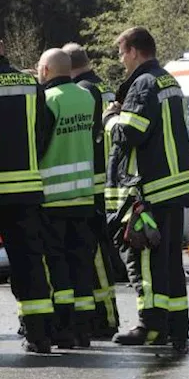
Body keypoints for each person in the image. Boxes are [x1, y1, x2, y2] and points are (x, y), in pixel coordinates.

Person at [104, 27, 189, 354]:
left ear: (133, 51)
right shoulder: (167, 80)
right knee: (170, 262)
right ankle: (176, 328)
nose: (121, 60)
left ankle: (150, 327)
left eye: (121, 53)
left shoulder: (143, 83)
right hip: (174, 186)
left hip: (152, 189)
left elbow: (131, 133)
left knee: (145, 259)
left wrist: (110, 120)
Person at [36, 48, 100, 349]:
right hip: (83, 195)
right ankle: (83, 329)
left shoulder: (49, 101)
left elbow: (40, 143)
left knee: (57, 264)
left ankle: (62, 328)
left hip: (54, 197)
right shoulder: (86, 97)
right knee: (81, 262)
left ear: (46, 71)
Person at [0, 40, 56, 353]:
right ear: (3, 47)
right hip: (24, 189)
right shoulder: (28, 83)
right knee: (29, 262)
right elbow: (44, 129)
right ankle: (40, 334)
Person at [65, 42, 122, 339]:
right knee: (101, 251)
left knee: (97, 254)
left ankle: (107, 319)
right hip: (110, 179)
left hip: (93, 182)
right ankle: (107, 316)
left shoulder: (84, 91)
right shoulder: (105, 89)